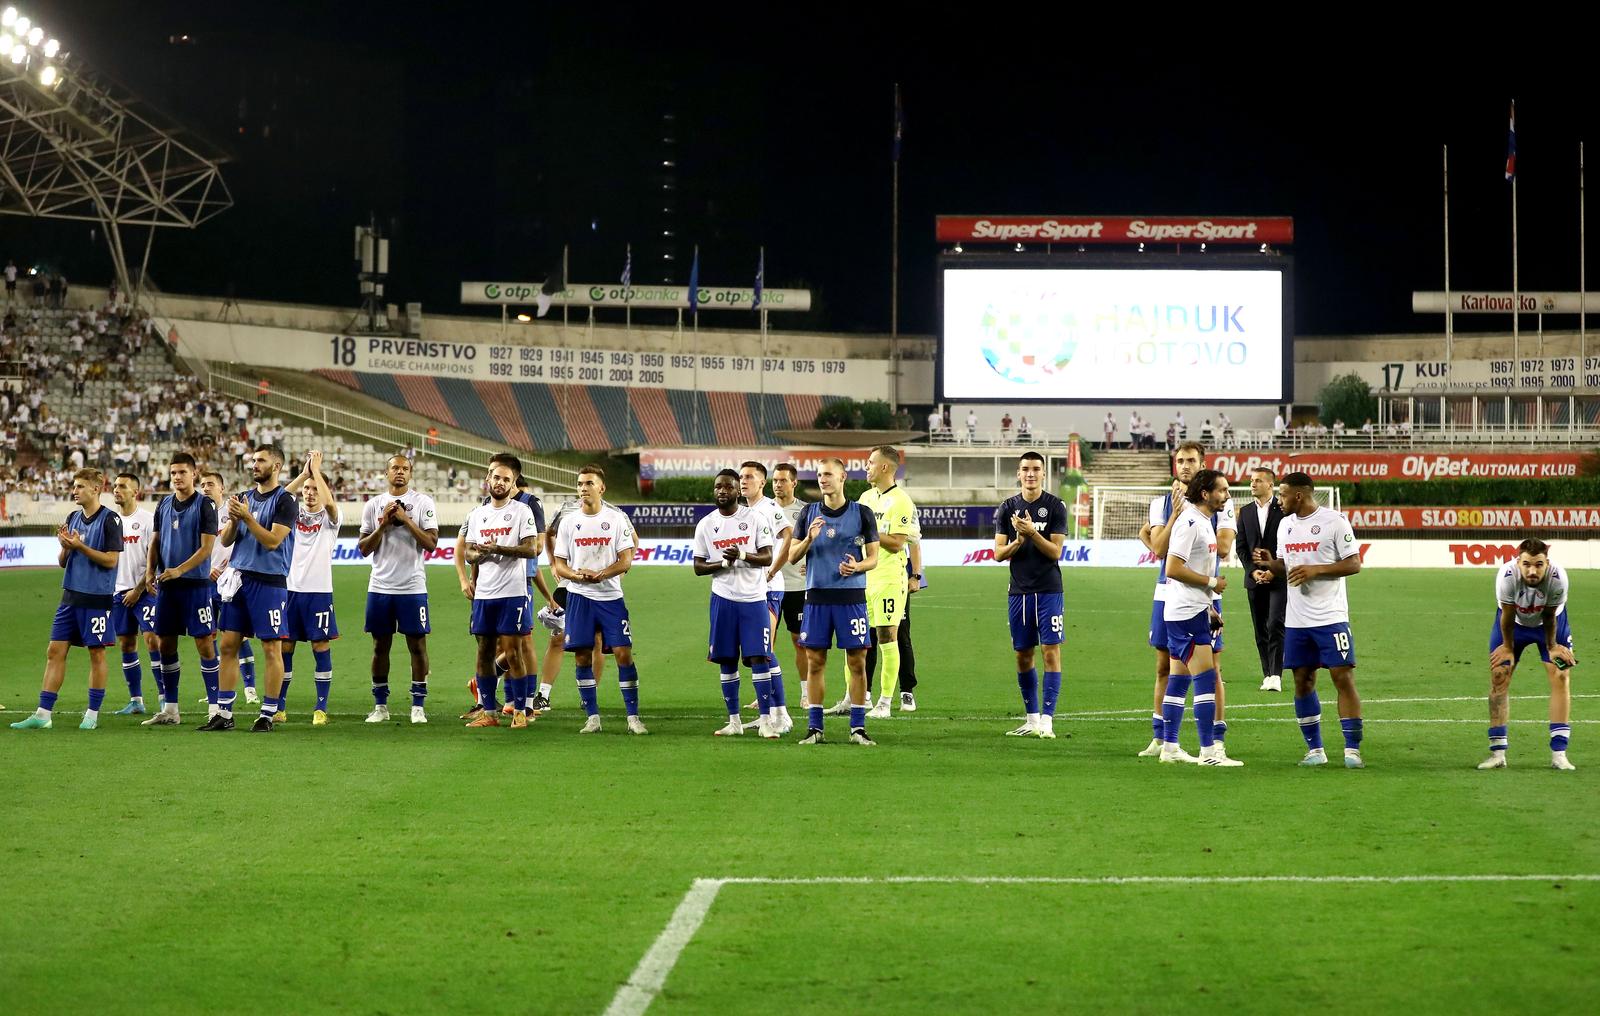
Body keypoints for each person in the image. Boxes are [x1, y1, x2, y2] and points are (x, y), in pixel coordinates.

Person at [1251, 472, 1365, 768]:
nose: (1278, 501)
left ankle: (1352, 750)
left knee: (1342, 678)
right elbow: (1286, 564)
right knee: (1302, 681)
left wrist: (1316, 570)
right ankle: (1315, 750)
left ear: (1298, 495)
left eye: (1282, 495)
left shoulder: (1335, 522)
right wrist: (1269, 565)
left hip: (1331, 617)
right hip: (1297, 620)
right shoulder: (1285, 525)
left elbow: (1354, 563)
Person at [1137, 442, 1236, 760]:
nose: (1185, 465)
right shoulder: (1180, 513)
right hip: (1181, 599)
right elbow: (1163, 556)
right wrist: (1210, 583)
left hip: (1198, 600)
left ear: (1202, 464)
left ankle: (1186, 743)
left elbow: (1220, 548)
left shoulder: (1211, 510)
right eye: (1180, 460)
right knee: (1182, 671)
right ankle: (1202, 748)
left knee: (1190, 671)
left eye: (1191, 460)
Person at [10, 469, 123, 731]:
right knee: (55, 651)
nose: (75, 490)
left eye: (81, 486)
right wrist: (65, 546)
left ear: (96, 489)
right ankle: (43, 714)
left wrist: (80, 546)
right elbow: (63, 562)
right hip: (70, 596)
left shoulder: (110, 520)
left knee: (96, 653)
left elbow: (111, 560)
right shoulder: (73, 517)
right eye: (74, 486)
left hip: (96, 598)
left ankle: (92, 714)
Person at [786, 456, 880, 745]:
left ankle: (858, 729)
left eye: (828, 474)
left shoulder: (862, 513)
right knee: (815, 662)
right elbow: (792, 556)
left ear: (842, 478)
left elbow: (874, 558)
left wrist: (857, 567)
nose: (822, 479)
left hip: (851, 599)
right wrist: (809, 540)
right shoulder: (808, 514)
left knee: (857, 662)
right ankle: (815, 728)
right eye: (818, 475)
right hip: (816, 599)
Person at [206, 445, 296, 732]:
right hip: (239, 579)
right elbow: (226, 541)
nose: (254, 465)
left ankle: (267, 714)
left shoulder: (286, 501)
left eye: (261, 460)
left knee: (271, 647)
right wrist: (234, 519)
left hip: (269, 582)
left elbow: (272, 541)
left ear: (277, 466)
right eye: (253, 460)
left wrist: (247, 517)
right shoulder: (244, 497)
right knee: (228, 644)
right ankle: (224, 712)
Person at [552, 465, 647, 734]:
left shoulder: (616, 519)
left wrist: (602, 573)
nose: (583, 488)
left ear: (601, 488)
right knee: (582, 656)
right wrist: (576, 576)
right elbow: (559, 563)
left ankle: (633, 717)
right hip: (580, 597)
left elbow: (626, 559)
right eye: (580, 484)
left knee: (623, 654)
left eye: (589, 483)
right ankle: (592, 717)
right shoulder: (569, 522)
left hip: (611, 598)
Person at [1159, 469, 1242, 766]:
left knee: (1179, 681)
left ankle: (1170, 748)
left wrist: (1209, 606)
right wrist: (1211, 584)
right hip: (1185, 614)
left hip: (1192, 610)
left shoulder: (1204, 521)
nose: (1228, 495)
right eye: (1222, 490)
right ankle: (1209, 752)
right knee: (1207, 678)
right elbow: (1173, 568)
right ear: (1205, 493)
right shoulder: (1190, 522)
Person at [1479, 540, 1578, 771]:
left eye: (1538, 565)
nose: (1532, 570)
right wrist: (1506, 646)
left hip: (1551, 625)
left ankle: (1559, 753)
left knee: (1561, 674)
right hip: (1513, 625)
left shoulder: (1558, 578)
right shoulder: (1507, 575)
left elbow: (1551, 615)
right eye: (1527, 564)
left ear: (1547, 562)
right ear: (1518, 562)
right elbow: (1507, 614)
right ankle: (1498, 753)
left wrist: (1553, 646)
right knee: (1499, 675)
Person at [694, 470, 778, 737]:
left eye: (728, 487)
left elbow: (767, 557)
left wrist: (741, 554)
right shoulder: (706, 524)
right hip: (723, 600)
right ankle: (734, 722)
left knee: (758, 658)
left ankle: (765, 721)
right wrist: (723, 563)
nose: (722, 491)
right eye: (718, 487)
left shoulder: (755, 518)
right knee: (726, 659)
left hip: (753, 600)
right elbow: (698, 566)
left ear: (737, 491)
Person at [459, 461, 541, 728]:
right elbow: (468, 552)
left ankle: (519, 712)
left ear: (513, 482)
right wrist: (479, 553)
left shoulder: (522, 511)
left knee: (513, 652)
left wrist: (498, 548)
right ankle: (489, 714)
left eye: (506, 479)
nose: (500, 483)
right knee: (484, 653)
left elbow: (531, 549)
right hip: (484, 594)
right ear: (488, 479)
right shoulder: (477, 515)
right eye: (496, 478)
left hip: (512, 593)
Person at [358, 454, 439, 724]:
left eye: (405, 468)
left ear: (411, 473)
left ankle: (418, 706)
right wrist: (382, 525)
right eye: (395, 468)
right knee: (380, 646)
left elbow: (430, 544)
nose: (400, 472)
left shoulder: (423, 503)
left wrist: (405, 519)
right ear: (386, 472)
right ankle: (380, 706)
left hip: (412, 586)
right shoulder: (373, 505)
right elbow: (363, 548)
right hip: (380, 586)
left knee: (417, 645)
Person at [141, 453, 219, 727]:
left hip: (196, 585)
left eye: (182, 472)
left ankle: (215, 708)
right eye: (173, 472)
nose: (176, 477)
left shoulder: (205, 505)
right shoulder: (163, 505)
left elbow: (207, 549)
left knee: (204, 644)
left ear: (194, 474)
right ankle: (171, 709)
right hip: (168, 587)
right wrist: (150, 571)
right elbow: (155, 542)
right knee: (165, 644)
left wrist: (179, 570)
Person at [994, 451, 1068, 739]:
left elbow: (1055, 552)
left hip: (1049, 590)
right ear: (1018, 473)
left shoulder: (1055, 506)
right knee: (1023, 655)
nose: (1030, 474)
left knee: (1051, 652)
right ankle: (1032, 718)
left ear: (1044, 473)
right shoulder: (1007, 507)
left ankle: (1048, 719)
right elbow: (999, 553)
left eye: (1036, 469)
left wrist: (1032, 534)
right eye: (1025, 469)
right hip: (1019, 592)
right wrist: (1019, 541)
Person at [855, 446, 918, 718]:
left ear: (884, 467)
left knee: (887, 636)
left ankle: (885, 702)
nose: (866, 467)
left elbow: (897, 543)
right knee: (860, 639)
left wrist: (869, 533)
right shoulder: (865, 497)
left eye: (870, 463)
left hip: (890, 579)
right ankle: (857, 697)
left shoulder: (902, 501)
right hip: (864, 577)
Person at [282, 452, 340, 726]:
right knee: (285, 647)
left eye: (316, 488)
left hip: (318, 591)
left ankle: (321, 708)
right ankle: (279, 706)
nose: (310, 493)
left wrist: (317, 472)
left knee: (320, 646)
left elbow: (330, 504)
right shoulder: (292, 513)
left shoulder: (331, 519)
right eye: (307, 489)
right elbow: (279, 497)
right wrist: (305, 474)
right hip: (290, 590)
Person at [738, 460, 795, 733]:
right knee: (756, 651)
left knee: (765, 650)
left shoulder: (768, 508)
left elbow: (789, 534)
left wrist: (773, 569)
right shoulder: (744, 512)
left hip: (769, 589)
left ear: (762, 482)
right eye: (741, 477)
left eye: (749, 477)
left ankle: (781, 714)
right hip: (751, 590)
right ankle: (769, 713)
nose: (743, 481)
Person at [108, 472, 163, 716]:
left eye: (122, 486)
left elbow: (156, 558)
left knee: (153, 640)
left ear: (135, 492)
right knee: (127, 644)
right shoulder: (110, 521)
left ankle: (164, 698)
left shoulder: (149, 520)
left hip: (145, 590)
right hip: (118, 593)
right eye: (115, 486)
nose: (116, 490)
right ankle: (136, 700)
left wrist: (138, 589)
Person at [1234, 466, 1286, 693]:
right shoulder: (1244, 512)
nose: (1253, 484)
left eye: (1257, 480)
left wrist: (1275, 569)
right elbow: (1242, 547)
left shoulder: (1284, 510)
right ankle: (1268, 674)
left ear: (1270, 485)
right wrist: (1252, 571)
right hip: (1254, 579)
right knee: (1260, 629)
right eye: (1251, 480)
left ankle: (1276, 674)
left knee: (1275, 623)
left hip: (1278, 577)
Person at [770, 463, 810, 708]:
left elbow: (814, 542)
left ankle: (805, 693)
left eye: (783, 480)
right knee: (766, 641)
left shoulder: (805, 511)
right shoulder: (762, 509)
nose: (777, 484)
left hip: (797, 585)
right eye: (775, 480)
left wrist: (812, 564)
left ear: (794, 483)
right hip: (769, 586)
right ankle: (764, 691)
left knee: (799, 640)